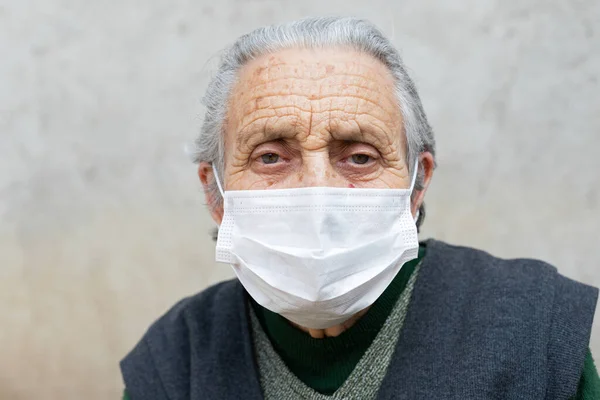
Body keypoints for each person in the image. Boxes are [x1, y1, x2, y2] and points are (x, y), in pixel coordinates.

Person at [120, 17, 599, 399]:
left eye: (360, 157)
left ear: (417, 184)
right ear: (215, 193)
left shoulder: (537, 333)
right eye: (270, 157)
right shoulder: (175, 361)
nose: (318, 194)